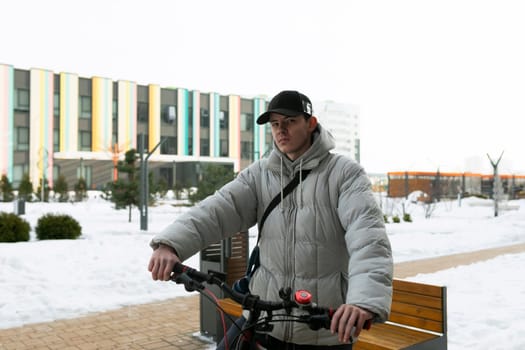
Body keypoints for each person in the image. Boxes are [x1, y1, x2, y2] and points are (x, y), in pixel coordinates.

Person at [148, 90, 393, 349]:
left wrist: (362, 302)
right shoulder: (261, 174)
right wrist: (171, 244)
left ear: (311, 123)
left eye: (290, 121)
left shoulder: (344, 174)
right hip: (262, 320)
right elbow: (217, 210)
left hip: (321, 327)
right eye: (275, 124)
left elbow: (368, 239)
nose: (281, 130)